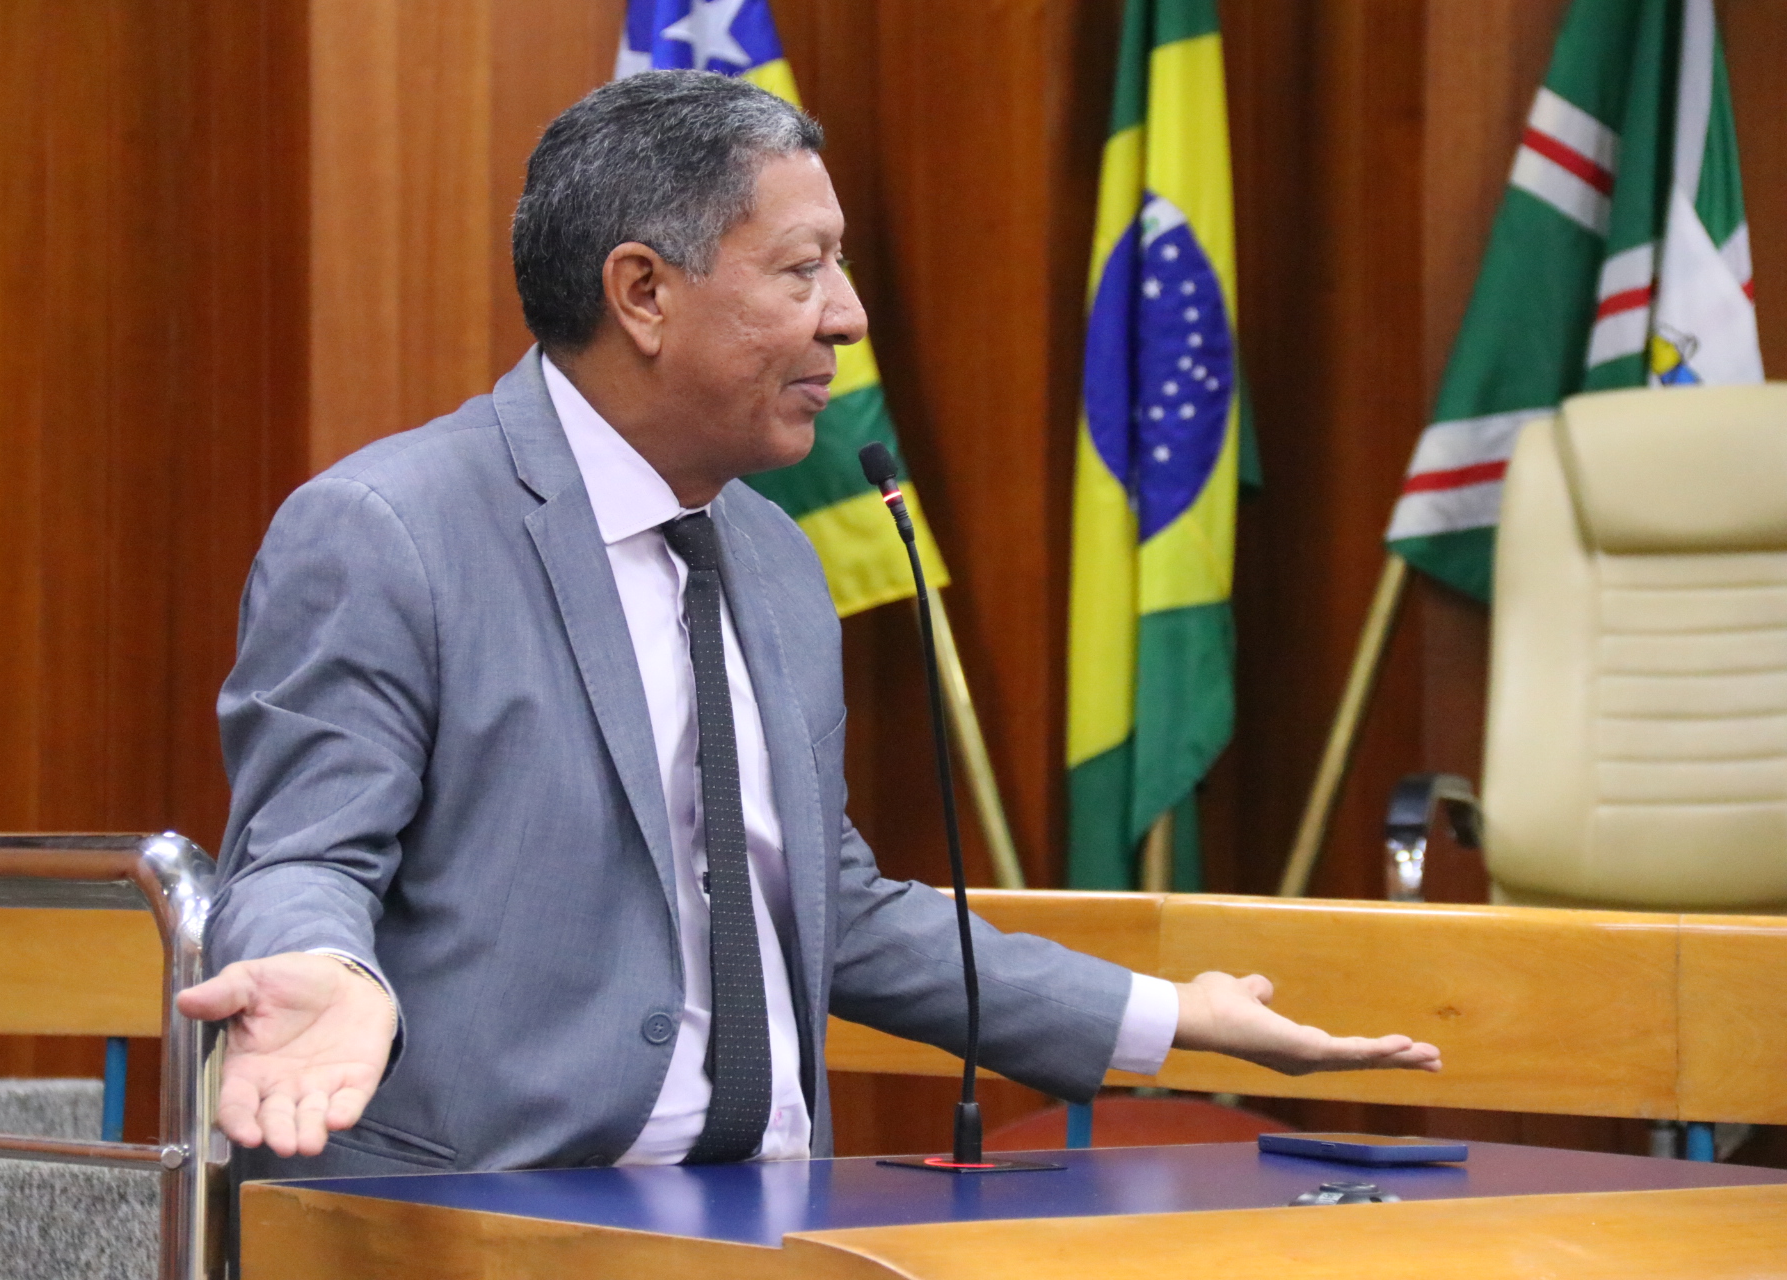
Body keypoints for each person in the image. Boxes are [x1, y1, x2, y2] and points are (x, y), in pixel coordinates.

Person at [178, 70, 1439, 1176]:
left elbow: (830, 901)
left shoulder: (774, 555)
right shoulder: (389, 530)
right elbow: (303, 856)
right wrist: (328, 966)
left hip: (774, 1210)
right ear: (643, 292)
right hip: (489, 1210)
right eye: (803, 268)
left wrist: (1167, 1016)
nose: (847, 314)